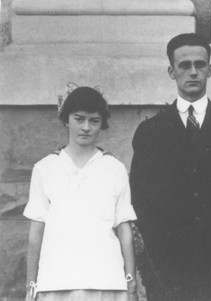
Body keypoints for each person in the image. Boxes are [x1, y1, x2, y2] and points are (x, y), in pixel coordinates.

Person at [129, 33, 211, 301]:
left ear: (210, 69)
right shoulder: (150, 132)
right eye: (184, 65)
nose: (193, 72)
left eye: (200, 64)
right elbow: (140, 200)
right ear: (172, 71)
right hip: (169, 270)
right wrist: (151, 266)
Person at [24, 87, 138, 301]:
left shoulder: (114, 168)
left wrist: (130, 281)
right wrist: (31, 285)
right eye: (79, 119)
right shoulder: (45, 168)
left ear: (101, 124)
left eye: (94, 121)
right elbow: (36, 232)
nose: (86, 127)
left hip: (106, 282)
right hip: (56, 282)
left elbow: (124, 229)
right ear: (66, 119)